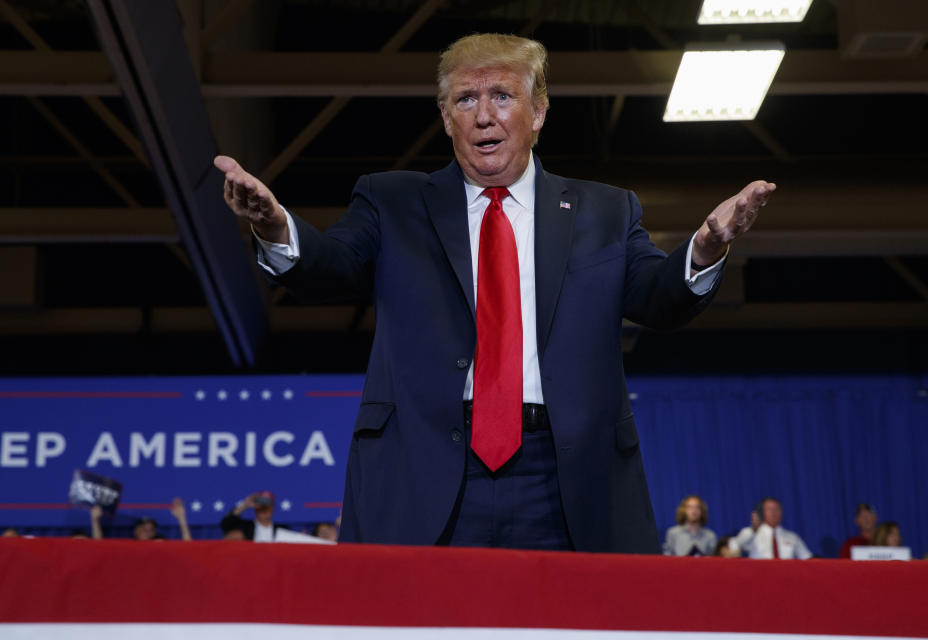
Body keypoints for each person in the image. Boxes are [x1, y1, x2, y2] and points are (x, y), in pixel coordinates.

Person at [214, 33, 774, 553]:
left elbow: (657, 297)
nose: (484, 115)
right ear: (444, 116)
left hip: (565, 474)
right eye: (465, 99)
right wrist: (274, 225)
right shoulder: (392, 202)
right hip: (427, 465)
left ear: (539, 112)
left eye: (503, 96)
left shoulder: (605, 210)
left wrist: (703, 251)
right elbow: (331, 268)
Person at [732, 497, 812, 559]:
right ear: (762, 513)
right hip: (759, 577)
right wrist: (753, 529)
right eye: (769, 509)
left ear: (782, 512)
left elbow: (806, 557)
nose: (773, 513)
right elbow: (733, 547)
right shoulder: (751, 533)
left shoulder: (792, 537)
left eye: (776, 509)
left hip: (786, 577)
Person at [220, 491, 288, 542]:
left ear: (273, 508)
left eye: (267, 508)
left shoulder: (283, 529)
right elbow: (225, 524)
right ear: (255, 509)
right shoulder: (245, 527)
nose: (264, 510)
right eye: (261, 508)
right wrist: (244, 505)